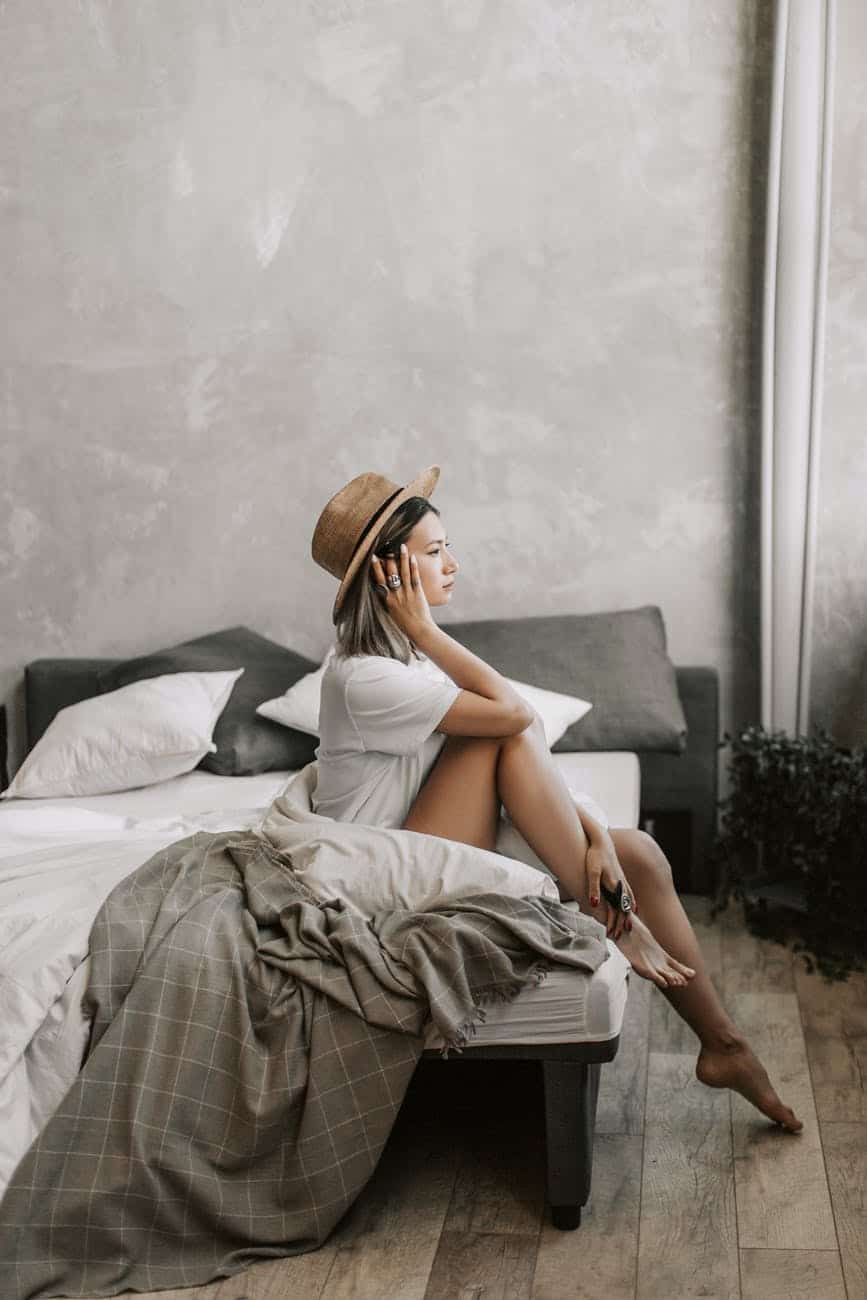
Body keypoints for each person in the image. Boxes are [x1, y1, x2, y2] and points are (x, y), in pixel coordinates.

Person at [310, 464, 802, 1133]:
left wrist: (595, 835)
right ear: (387, 575)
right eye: (433, 553)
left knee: (637, 852)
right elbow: (514, 718)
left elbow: (527, 729)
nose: (453, 564)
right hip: (382, 875)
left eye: (447, 545)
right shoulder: (366, 676)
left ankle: (723, 1045)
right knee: (493, 737)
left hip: (424, 837)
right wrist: (428, 631)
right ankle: (620, 928)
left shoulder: (407, 660)